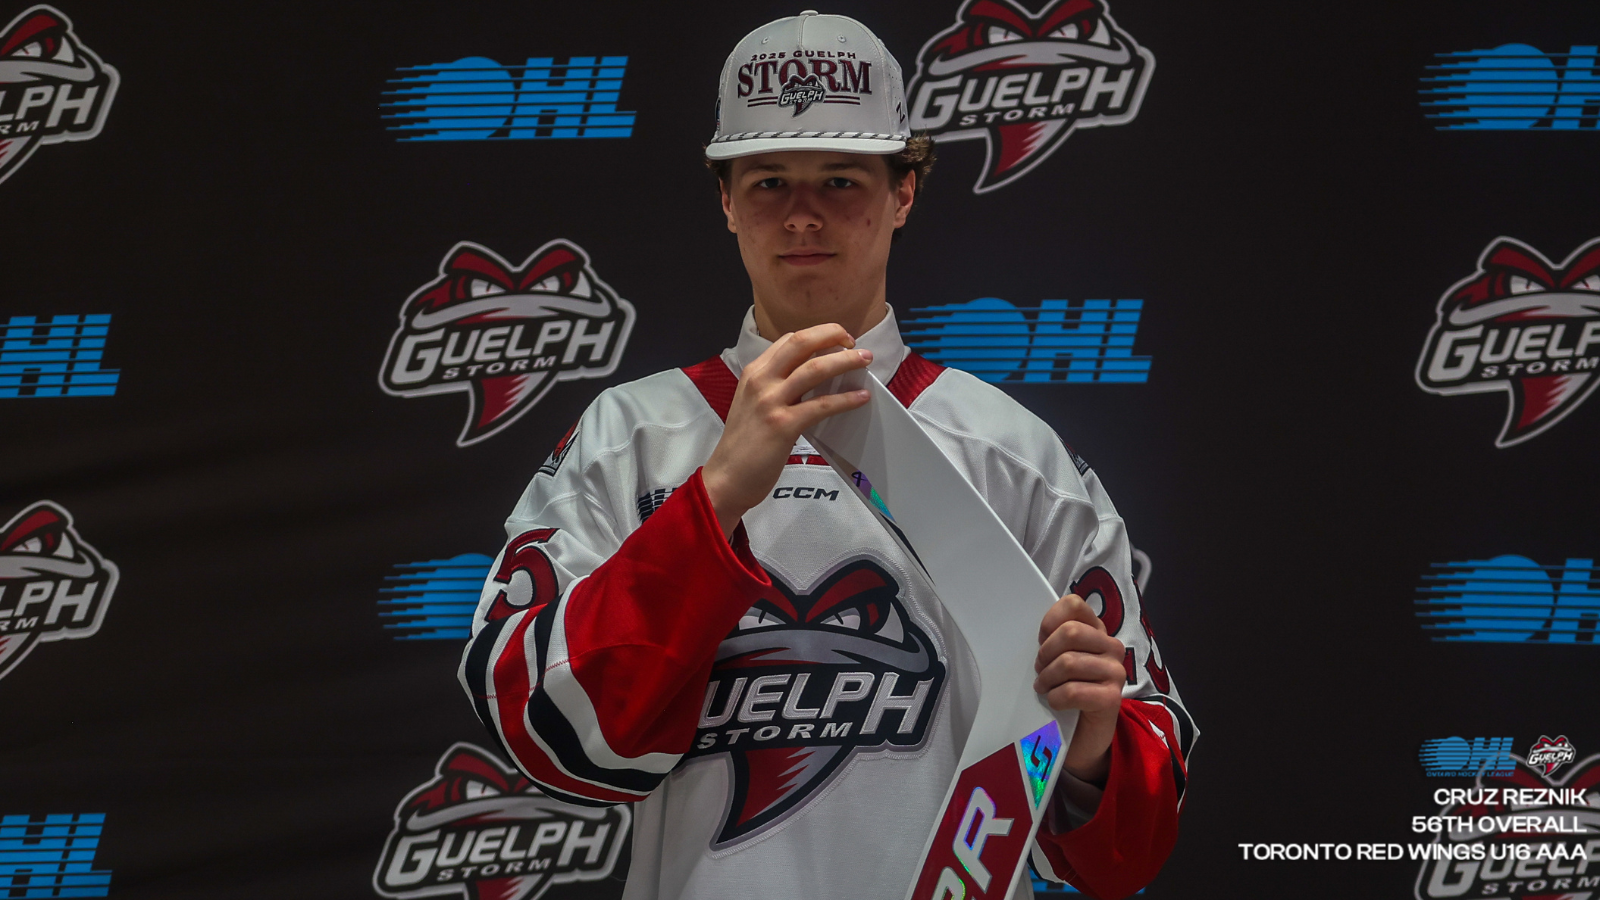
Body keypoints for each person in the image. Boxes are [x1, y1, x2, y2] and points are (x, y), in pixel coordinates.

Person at [459, 11, 1195, 899]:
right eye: (769, 181)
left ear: (904, 193)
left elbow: (1124, 852)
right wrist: (715, 498)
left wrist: (1086, 749)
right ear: (726, 201)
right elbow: (546, 736)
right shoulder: (630, 436)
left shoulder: (1013, 455)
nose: (803, 214)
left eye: (840, 180)